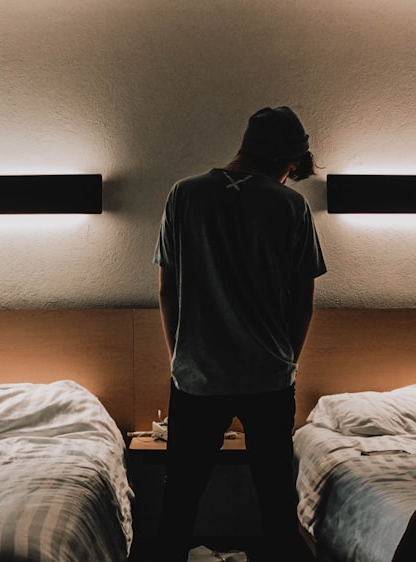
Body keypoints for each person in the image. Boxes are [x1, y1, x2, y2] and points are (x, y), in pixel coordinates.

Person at [153, 106, 326, 562]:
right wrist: (289, 359)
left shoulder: (183, 195)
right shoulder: (290, 206)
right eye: (292, 168)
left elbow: (168, 289)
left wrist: (179, 357)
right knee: (274, 503)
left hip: (196, 375)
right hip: (267, 376)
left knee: (179, 502)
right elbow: (302, 301)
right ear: (285, 158)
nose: (290, 178)